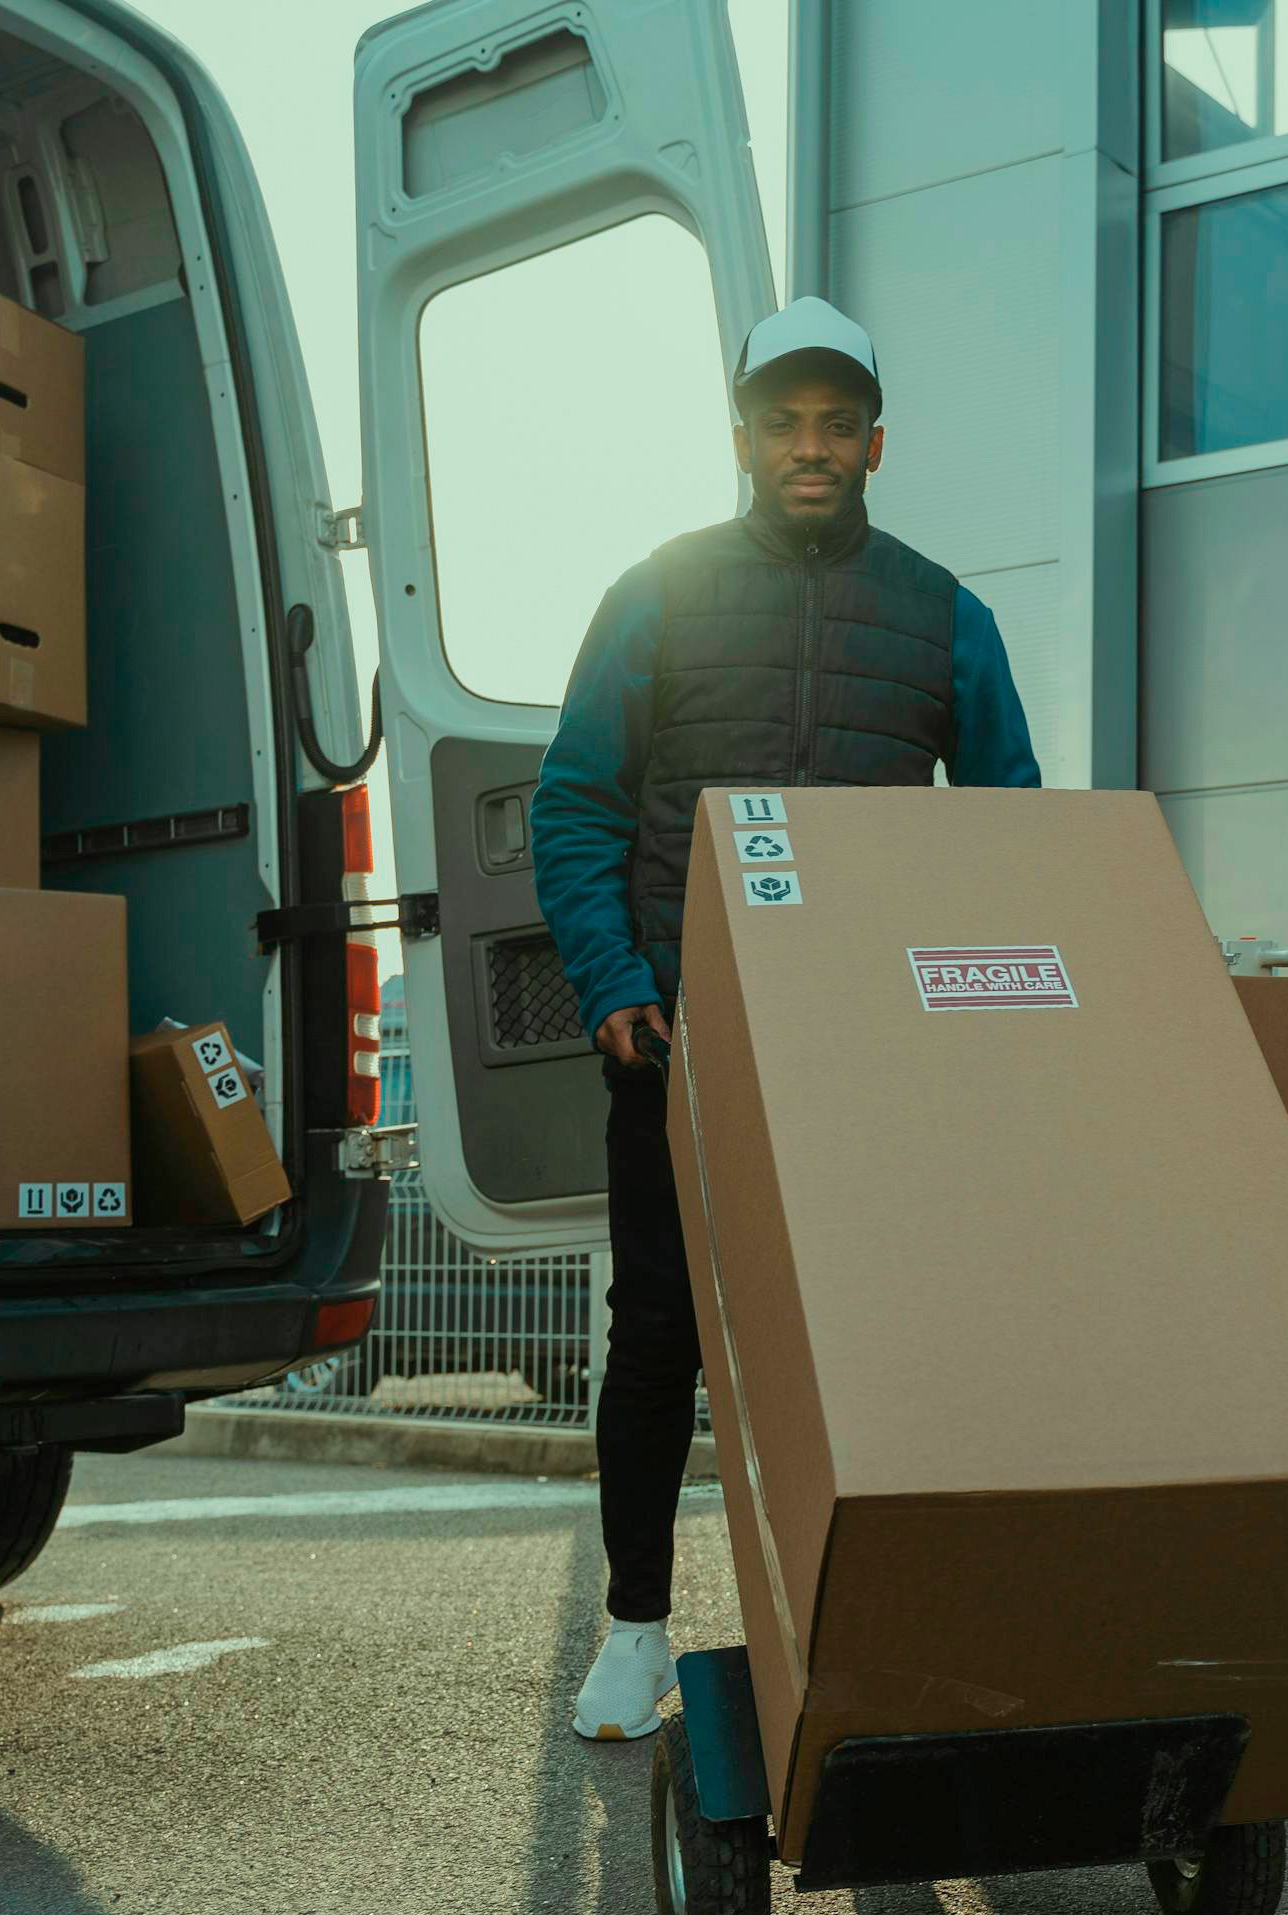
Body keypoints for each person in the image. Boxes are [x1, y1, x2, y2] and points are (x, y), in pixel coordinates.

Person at [528, 297, 1043, 1740]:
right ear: (743, 435)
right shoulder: (660, 592)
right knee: (662, 1333)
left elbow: (1008, 830)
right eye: (781, 421)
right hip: (682, 1045)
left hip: (876, 1060)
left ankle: (869, 1631)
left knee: (880, 1339)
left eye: (835, 422)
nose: (808, 445)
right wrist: (617, 986)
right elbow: (573, 807)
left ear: (876, 442)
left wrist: (976, 1014)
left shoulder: (947, 615)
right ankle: (635, 1629)